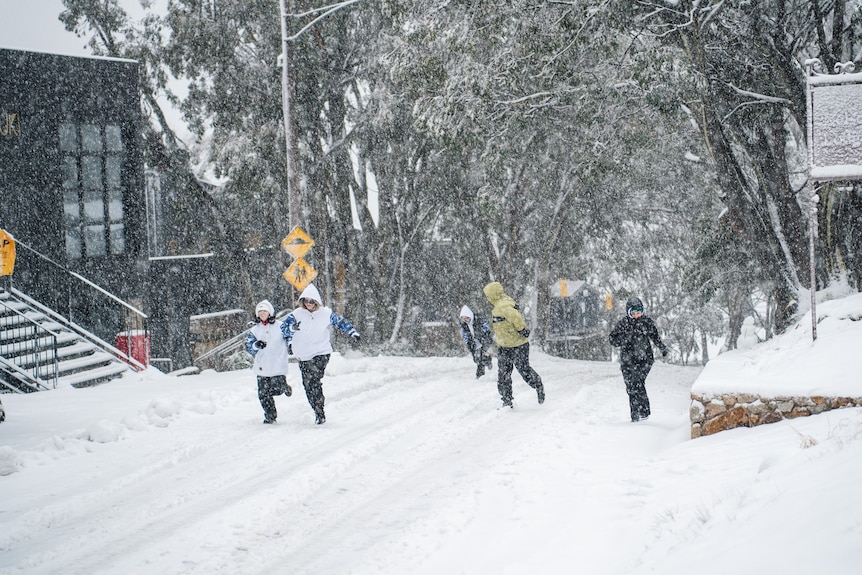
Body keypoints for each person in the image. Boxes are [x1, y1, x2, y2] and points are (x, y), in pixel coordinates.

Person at [280, 284, 360, 424]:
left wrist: (352, 332)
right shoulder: (296, 315)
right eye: (306, 301)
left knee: (314, 379)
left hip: (321, 352)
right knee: (308, 384)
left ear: (317, 302)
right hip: (303, 355)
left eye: (312, 301)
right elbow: (283, 330)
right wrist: (291, 331)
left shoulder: (326, 313)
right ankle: (317, 409)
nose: (309, 304)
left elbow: (341, 323)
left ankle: (320, 411)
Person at [482, 282, 545, 408]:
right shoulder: (500, 305)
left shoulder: (503, 306)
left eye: (488, 295)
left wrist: (522, 329)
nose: (487, 298)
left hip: (518, 345)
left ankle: (537, 385)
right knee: (504, 373)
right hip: (504, 346)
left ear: (493, 295)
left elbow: (516, 317)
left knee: (521, 370)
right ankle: (507, 400)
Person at [608, 296, 669, 422]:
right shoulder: (623, 324)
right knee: (631, 386)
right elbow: (612, 339)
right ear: (628, 313)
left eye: (639, 312)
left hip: (644, 360)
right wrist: (624, 339)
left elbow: (655, 336)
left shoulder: (646, 322)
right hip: (627, 361)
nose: (636, 315)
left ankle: (644, 411)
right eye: (633, 313)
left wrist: (662, 348)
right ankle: (635, 415)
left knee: (637, 382)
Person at [246, 299, 293, 424]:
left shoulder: (280, 325)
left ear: (270, 312)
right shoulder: (255, 330)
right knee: (263, 394)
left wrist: (291, 344)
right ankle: (270, 416)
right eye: (260, 312)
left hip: (278, 364)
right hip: (262, 366)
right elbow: (249, 347)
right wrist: (256, 345)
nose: (262, 314)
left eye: (264, 311)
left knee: (276, 389)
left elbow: (290, 336)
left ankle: (285, 388)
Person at [459, 305, 494, 378]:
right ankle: (486, 363)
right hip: (474, 342)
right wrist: (468, 342)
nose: (466, 320)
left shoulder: (479, 319)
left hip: (483, 340)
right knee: (476, 358)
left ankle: (480, 374)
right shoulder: (464, 325)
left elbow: (486, 327)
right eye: (464, 318)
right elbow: (465, 335)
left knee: (481, 357)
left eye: (467, 318)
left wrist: (481, 334)